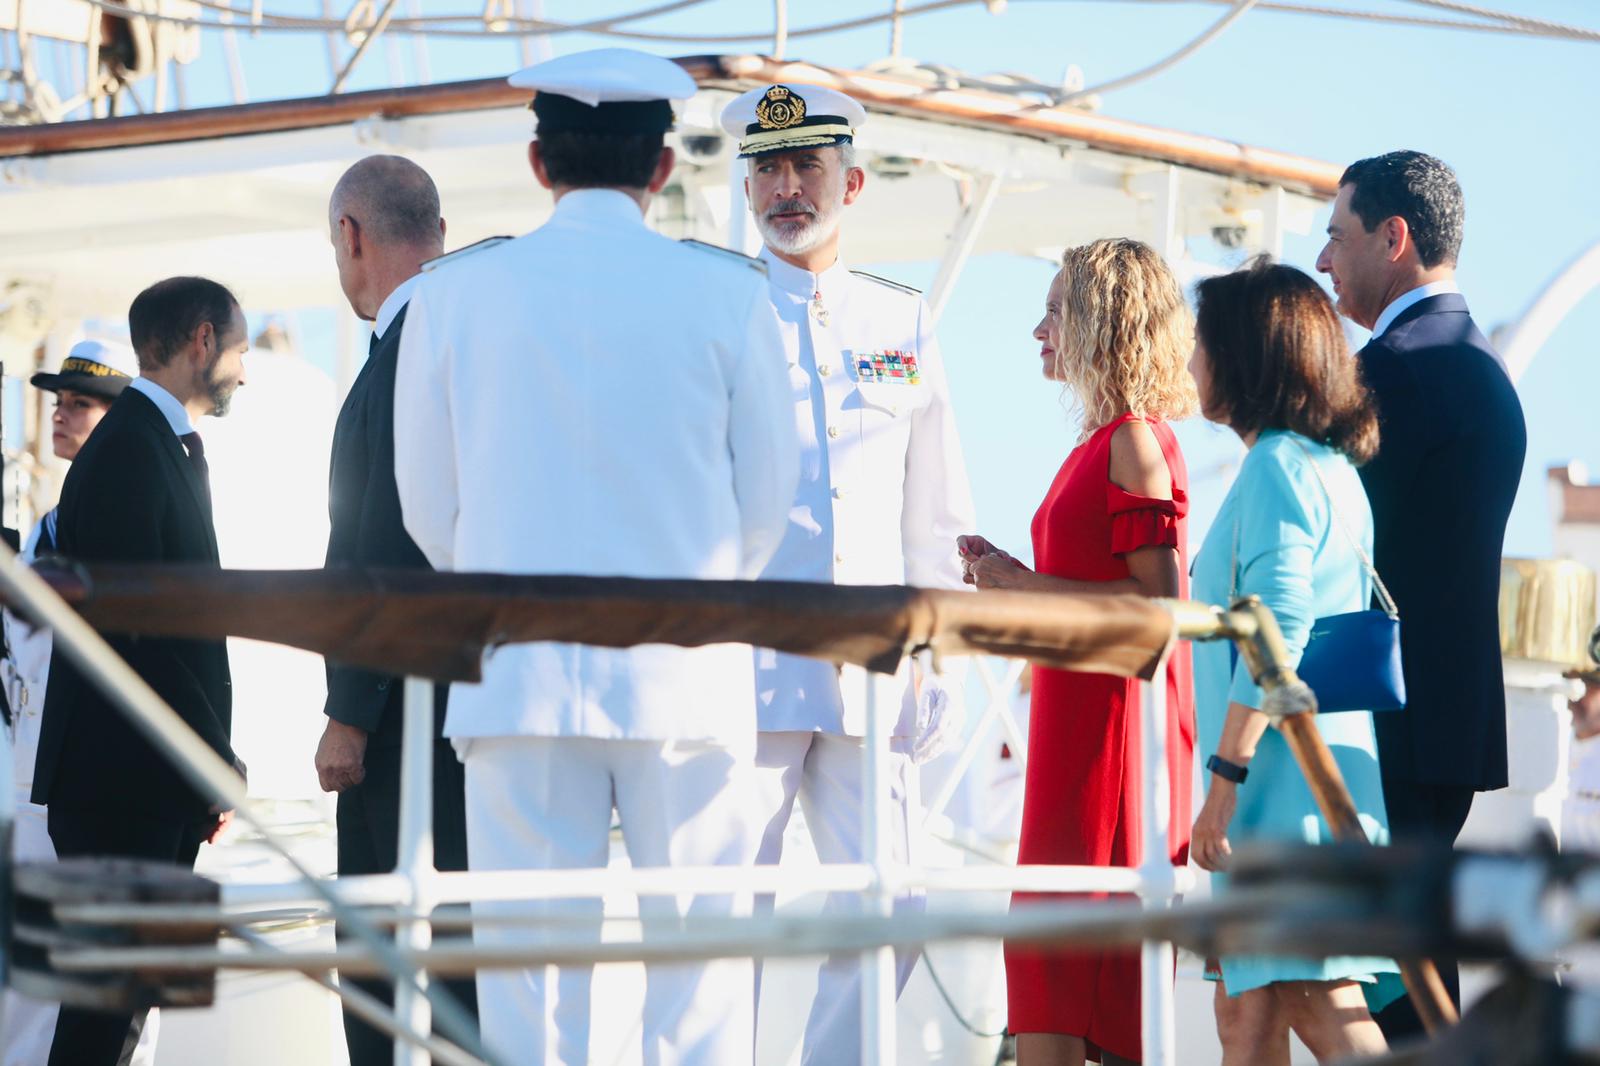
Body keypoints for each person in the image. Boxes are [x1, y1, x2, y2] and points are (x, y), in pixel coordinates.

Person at [391, 49, 798, 1066]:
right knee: (700, 985)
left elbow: (427, 509)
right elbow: (765, 503)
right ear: (660, 168)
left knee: (532, 995)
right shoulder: (729, 294)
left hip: (517, 675)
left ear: (538, 162)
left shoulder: (453, 294)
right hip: (687, 677)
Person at [716, 81, 976, 1063]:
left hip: (875, 670)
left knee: (895, 906)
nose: (786, 186)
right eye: (768, 169)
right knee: (721, 913)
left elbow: (935, 509)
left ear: (851, 180)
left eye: (805, 167)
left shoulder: (898, 322)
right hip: (745, 671)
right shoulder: (719, 317)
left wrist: (940, 655)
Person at [958, 238, 1196, 1066]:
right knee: (1048, 982)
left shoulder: (1133, 440)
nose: (1037, 330)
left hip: (1107, 752)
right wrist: (1009, 591)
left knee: (1067, 982)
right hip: (1074, 740)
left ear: (1101, 322)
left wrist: (1021, 584)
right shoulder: (1107, 443)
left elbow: (1162, 609)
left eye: (1055, 310)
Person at [1315, 150, 1527, 1038]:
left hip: (1384, 726)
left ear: (1393, 237)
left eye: (1336, 236)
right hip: (1450, 722)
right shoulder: (1485, 371)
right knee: (1410, 970)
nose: (1324, 262)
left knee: (1381, 985)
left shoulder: (1391, 374)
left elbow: (1326, 544)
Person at [1187, 259, 1399, 1064]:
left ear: (1243, 355)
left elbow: (1279, 623)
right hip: (1302, 786)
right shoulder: (1330, 468)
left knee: (1316, 999)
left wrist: (1222, 786)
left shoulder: (1276, 464)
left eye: (1202, 344)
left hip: (1273, 795)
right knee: (1247, 1011)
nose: (1191, 363)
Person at [33, 276, 248, 1066]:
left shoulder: (150, 444)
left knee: (118, 1012)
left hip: (137, 784)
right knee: (105, 1017)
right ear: (201, 340)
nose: (244, 371)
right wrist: (210, 763)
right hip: (122, 786)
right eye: (241, 348)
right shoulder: (131, 450)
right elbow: (141, 635)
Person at [320, 155, 478, 1064]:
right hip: (468, 698)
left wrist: (348, 712)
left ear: (353, 236)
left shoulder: (402, 359)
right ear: (442, 234)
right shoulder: (465, 344)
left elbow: (380, 544)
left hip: (401, 714)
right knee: (459, 952)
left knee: (384, 957)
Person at [0, 340, 160, 1066]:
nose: (61, 415)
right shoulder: (47, 527)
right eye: (58, 402)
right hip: (30, 775)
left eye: (80, 403)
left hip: (91, 776)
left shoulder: (116, 520)